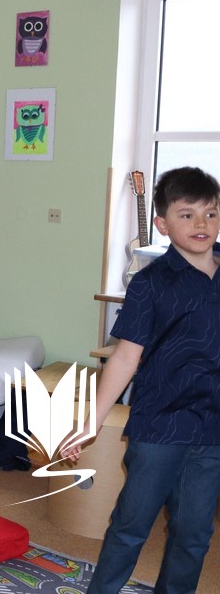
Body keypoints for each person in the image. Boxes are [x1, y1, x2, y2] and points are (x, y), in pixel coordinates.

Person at [61, 166, 220, 594]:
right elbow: (126, 357)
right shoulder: (150, 283)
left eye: (210, 213)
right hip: (159, 426)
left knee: (194, 536)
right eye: (187, 214)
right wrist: (92, 422)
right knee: (131, 527)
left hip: (212, 429)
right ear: (162, 224)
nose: (201, 223)